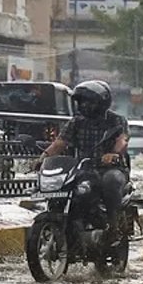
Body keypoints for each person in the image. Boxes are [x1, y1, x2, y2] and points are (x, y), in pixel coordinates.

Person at [40, 80, 130, 235]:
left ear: (102, 103)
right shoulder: (76, 122)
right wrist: (43, 157)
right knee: (65, 187)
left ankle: (113, 225)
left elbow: (122, 140)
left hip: (111, 168)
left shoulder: (116, 120)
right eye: (82, 102)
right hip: (82, 168)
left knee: (111, 181)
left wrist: (113, 154)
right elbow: (60, 143)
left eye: (89, 102)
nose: (84, 106)